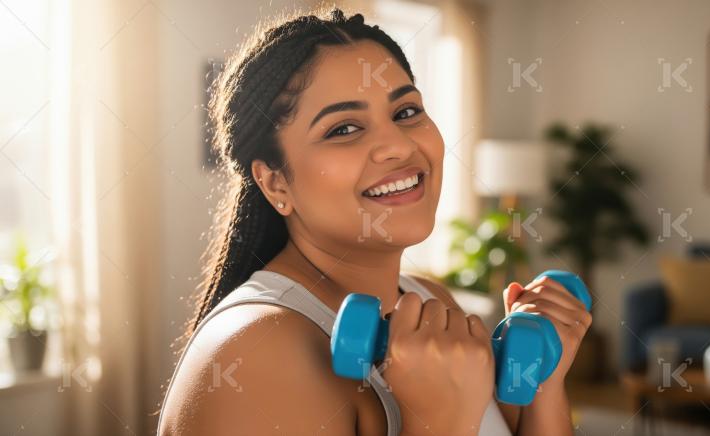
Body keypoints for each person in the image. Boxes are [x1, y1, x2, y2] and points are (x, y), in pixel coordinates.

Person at [157, 6, 591, 435]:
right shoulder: (254, 354)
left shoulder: (430, 302)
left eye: (405, 113)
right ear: (275, 184)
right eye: (343, 129)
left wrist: (540, 386)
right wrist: (438, 420)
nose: (398, 147)